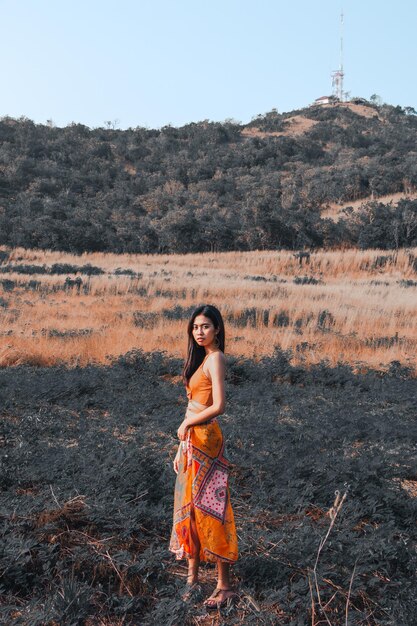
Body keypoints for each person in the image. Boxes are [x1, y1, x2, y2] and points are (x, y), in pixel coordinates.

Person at [169, 304, 238, 609]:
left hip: (207, 439)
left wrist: (186, 425)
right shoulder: (201, 359)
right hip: (192, 440)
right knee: (189, 507)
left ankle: (224, 585)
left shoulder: (216, 359)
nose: (199, 332)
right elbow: (193, 405)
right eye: (196, 327)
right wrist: (180, 445)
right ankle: (192, 575)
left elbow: (219, 405)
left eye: (206, 326)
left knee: (211, 506)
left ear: (217, 329)